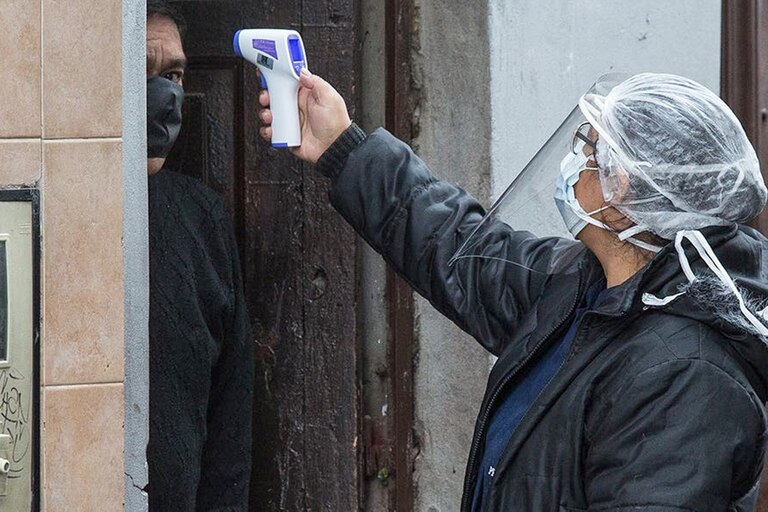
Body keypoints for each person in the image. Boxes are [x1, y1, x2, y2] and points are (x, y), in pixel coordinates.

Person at [258, 70, 768, 510]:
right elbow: (460, 249)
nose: (574, 161)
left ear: (623, 192)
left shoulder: (683, 378)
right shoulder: (586, 285)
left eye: (590, 149)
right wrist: (344, 147)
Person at [145, 2, 254, 510]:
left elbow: (231, 410)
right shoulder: (52, 215)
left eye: (173, 75)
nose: (163, 92)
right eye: (141, 73)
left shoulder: (201, 218)